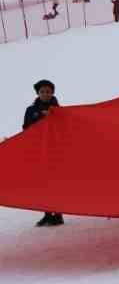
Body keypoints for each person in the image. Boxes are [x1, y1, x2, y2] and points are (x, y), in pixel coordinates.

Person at [23, 80, 64, 226]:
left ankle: (58, 215)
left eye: (48, 91)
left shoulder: (59, 110)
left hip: (55, 151)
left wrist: (52, 116)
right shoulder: (30, 110)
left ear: (52, 93)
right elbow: (26, 129)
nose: (45, 94)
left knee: (56, 183)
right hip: (39, 151)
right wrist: (41, 117)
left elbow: (65, 129)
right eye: (42, 91)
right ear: (38, 93)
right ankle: (47, 214)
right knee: (43, 184)